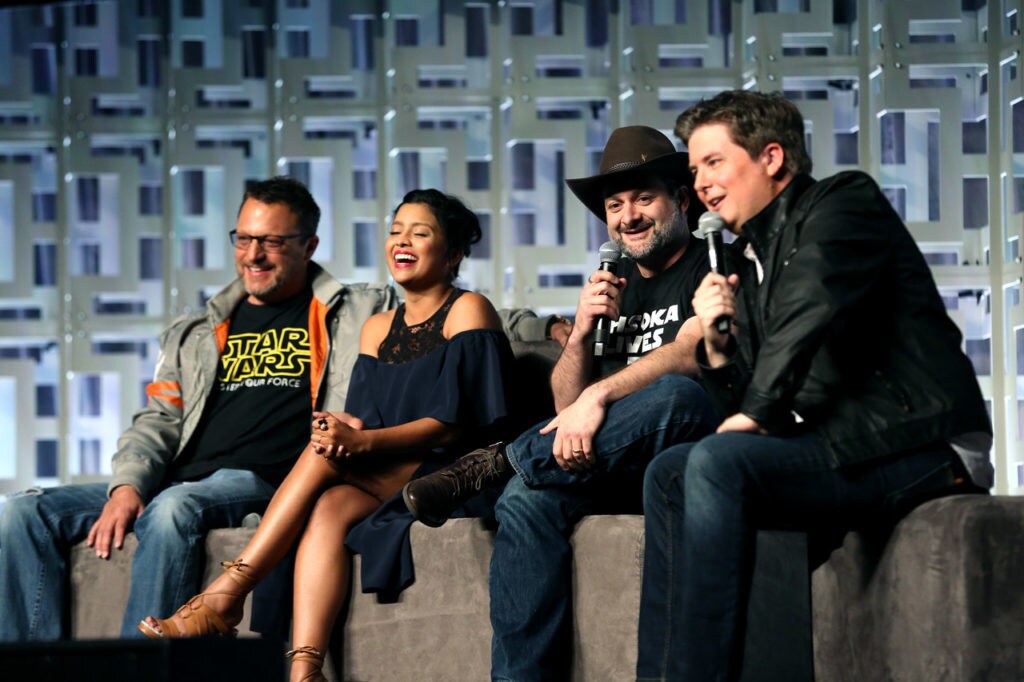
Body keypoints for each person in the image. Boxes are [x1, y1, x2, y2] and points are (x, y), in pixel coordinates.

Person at [635, 90, 993, 681]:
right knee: (670, 472)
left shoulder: (843, 202)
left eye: (713, 162)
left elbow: (812, 302)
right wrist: (720, 345)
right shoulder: (748, 258)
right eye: (694, 168)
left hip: (924, 442)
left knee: (719, 462)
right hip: (848, 440)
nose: (699, 181)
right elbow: (744, 392)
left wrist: (755, 415)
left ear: (771, 157)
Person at [139, 189, 517, 681]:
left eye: (419, 234)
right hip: (395, 467)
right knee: (328, 504)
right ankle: (305, 670)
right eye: (395, 231)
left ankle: (225, 596)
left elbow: (453, 424)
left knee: (322, 460)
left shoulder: (469, 309)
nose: (402, 242)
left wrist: (361, 445)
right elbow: (366, 417)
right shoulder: (377, 327)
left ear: (453, 254)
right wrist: (344, 430)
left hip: (457, 474)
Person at [0, 176, 398, 642]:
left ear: (308, 245)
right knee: (21, 514)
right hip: (180, 478)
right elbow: (159, 418)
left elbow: (449, 311)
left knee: (173, 509)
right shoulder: (195, 332)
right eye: (245, 239)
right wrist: (128, 484)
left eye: (272, 241)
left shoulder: (359, 311)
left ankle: (140, 671)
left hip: (264, 480)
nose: (253, 255)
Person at [402, 126, 720, 681]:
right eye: (615, 206)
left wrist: (600, 395)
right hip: (609, 457)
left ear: (682, 200)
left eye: (645, 198)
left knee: (676, 393)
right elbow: (566, 403)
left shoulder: (709, 261)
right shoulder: (613, 283)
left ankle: (501, 461)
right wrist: (579, 335)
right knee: (526, 500)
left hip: (687, 445)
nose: (629, 216)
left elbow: (693, 353)